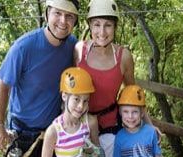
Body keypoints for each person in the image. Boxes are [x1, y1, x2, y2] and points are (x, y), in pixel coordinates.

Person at [0, 0, 79, 156]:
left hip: (53, 132)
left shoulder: (73, 46)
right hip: (21, 133)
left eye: (69, 16)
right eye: (57, 13)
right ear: (47, 14)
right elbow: (2, 87)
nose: (63, 21)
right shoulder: (23, 47)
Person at [74, 0, 159, 157]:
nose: (102, 31)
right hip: (80, 124)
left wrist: (149, 124)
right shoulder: (79, 51)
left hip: (109, 127)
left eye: (108, 25)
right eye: (97, 24)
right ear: (90, 26)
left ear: (115, 27)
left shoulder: (123, 56)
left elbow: (133, 94)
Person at [42, 67, 105, 157]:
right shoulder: (53, 132)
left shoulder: (90, 123)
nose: (81, 106)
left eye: (85, 101)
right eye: (76, 99)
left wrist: (94, 153)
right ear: (64, 96)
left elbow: (99, 153)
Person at [113, 85, 162, 157]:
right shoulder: (119, 137)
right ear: (120, 113)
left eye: (135, 112)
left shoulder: (151, 132)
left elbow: (158, 155)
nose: (130, 116)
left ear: (142, 113)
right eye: (126, 112)